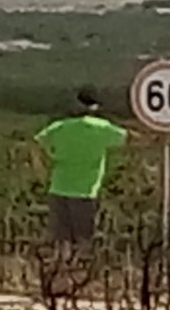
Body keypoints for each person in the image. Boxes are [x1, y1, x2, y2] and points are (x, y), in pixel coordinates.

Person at [35, 87, 129, 246]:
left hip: (58, 188)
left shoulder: (59, 127)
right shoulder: (101, 128)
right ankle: (82, 269)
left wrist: (42, 170)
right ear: (95, 107)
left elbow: (37, 144)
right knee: (84, 240)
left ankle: (61, 269)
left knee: (61, 242)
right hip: (85, 192)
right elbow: (130, 139)